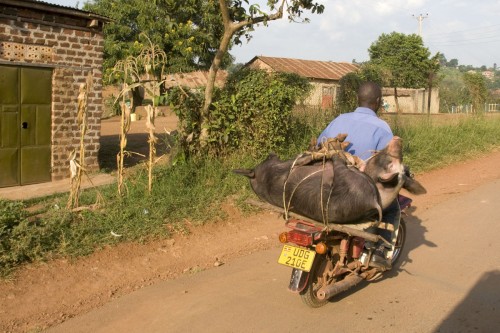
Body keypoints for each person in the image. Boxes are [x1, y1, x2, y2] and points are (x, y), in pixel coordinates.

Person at [317, 81, 399, 270]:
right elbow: (387, 166)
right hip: (358, 192)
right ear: (378, 102)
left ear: (358, 99)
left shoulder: (339, 120)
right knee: (393, 208)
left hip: (329, 183)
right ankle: (379, 252)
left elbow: (320, 145)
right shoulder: (382, 128)